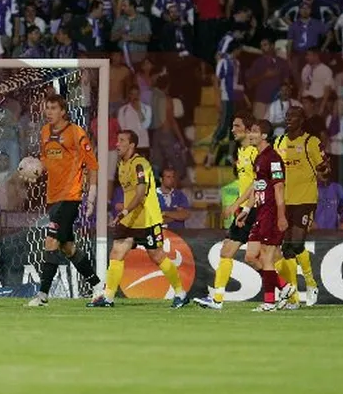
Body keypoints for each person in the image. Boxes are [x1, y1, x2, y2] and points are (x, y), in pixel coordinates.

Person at [90, 130, 188, 308]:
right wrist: (125, 214)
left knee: (157, 255)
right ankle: (108, 297)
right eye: (117, 140)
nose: (117, 144)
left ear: (132, 145)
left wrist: (124, 211)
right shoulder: (121, 164)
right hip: (129, 220)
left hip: (147, 219)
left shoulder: (140, 165)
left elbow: (141, 193)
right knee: (117, 253)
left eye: (121, 140)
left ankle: (181, 293)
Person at [27, 95, 103, 307]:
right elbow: (45, 159)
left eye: (53, 108)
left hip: (70, 196)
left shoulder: (76, 133)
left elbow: (92, 165)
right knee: (67, 247)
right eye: (47, 108)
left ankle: (42, 295)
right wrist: (35, 168)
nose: (49, 112)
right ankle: (98, 287)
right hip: (53, 197)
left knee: (51, 241)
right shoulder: (44, 132)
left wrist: (92, 195)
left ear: (63, 111)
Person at [223, 119, 295, 312]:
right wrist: (245, 210)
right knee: (250, 256)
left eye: (254, 131)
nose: (250, 134)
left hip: (271, 213)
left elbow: (279, 188)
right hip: (260, 213)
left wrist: (281, 216)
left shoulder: (273, 159)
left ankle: (269, 302)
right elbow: (257, 187)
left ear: (264, 135)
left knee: (266, 257)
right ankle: (284, 287)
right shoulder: (259, 158)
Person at [195, 114, 257, 310]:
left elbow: (258, 184)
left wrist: (239, 205)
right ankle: (217, 299)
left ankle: (288, 290)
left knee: (265, 257)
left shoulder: (255, 152)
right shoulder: (241, 151)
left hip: (256, 209)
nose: (232, 130)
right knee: (228, 251)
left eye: (237, 126)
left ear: (248, 129)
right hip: (246, 209)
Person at [273, 106, 327, 307]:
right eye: (287, 116)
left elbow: (324, 167)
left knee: (296, 244)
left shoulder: (310, 142)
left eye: (293, 116)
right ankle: (293, 297)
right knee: (286, 248)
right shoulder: (279, 142)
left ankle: (311, 284)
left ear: (302, 120)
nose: (289, 119)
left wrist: (324, 169)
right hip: (283, 201)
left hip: (305, 199)